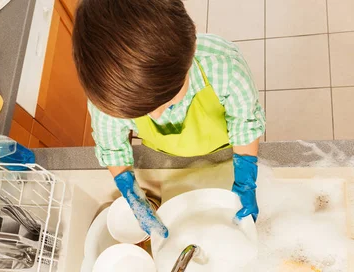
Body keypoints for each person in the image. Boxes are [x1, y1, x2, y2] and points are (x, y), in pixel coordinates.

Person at [72, 0, 265, 238]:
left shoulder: (223, 65)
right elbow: (112, 148)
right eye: (141, 113)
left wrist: (245, 182)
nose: (156, 116)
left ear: (191, 49)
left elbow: (244, 125)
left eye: (167, 101)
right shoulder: (111, 93)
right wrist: (132, 196)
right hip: (166, 160)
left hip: (227, 151)